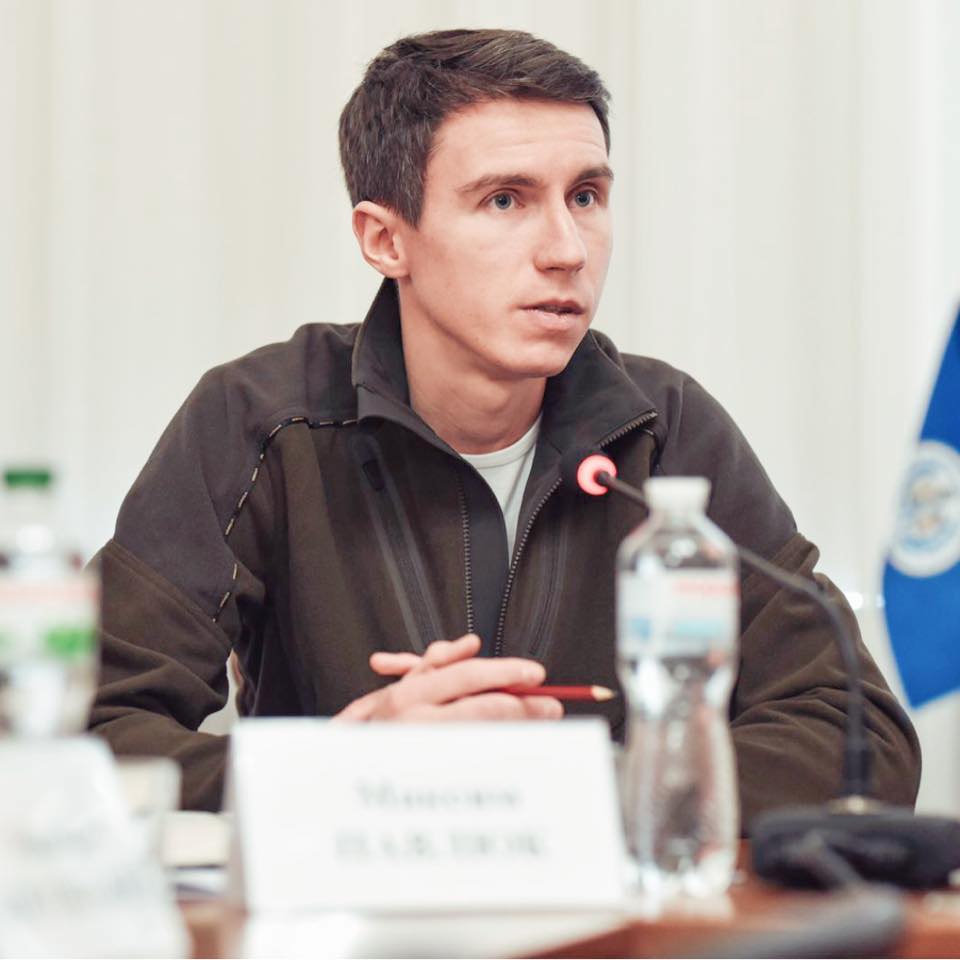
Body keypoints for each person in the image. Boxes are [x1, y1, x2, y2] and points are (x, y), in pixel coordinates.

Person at [89, 28, 921, 823]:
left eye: (586, 197)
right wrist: (344, 771)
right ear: (385, 239)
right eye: (504, 200)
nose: (567, 249)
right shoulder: (263, 422)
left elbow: (860, 738)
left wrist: (562, 789)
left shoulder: (664, 430)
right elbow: (81, 738)